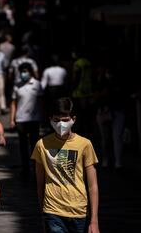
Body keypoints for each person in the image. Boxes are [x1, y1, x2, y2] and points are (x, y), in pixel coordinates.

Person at [31, 97, 100, 233]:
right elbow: (40, 183)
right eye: (56, 120)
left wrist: (94, 220)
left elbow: (92, 185)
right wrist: (42, 215)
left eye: (65, 120)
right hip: (52, 210)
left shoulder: (85, 144)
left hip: (79, 211)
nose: (60, 124)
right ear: (50, 119)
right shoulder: (41, 145)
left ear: (73, 119)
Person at [10, 62, 43, 176]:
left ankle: (36, 168)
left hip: (34, 119)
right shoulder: (17, 86)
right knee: (23, 145)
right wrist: (12, 119)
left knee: (34, 145)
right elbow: (13, 103)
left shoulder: (37, 84)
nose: (24, 74)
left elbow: (41, 102)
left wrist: (43, 116)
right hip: (20, 119)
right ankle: (25, 169)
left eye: (26, 71)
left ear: (30, 72)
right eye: (22, 72)